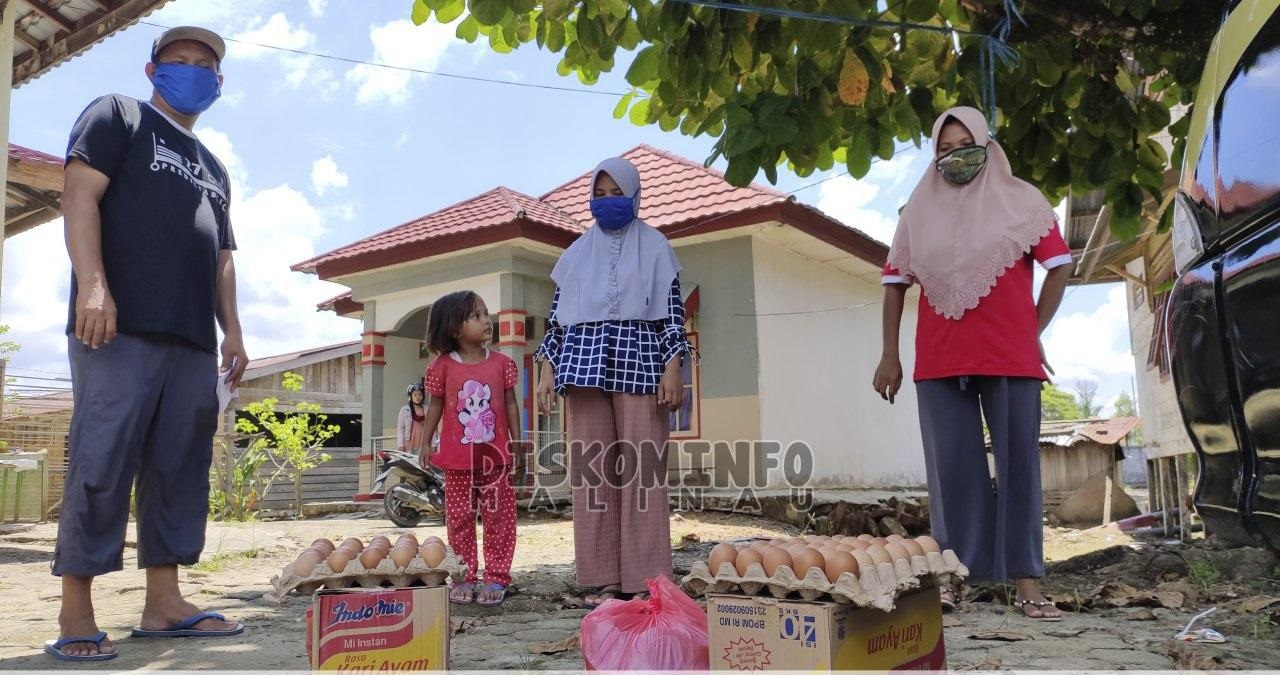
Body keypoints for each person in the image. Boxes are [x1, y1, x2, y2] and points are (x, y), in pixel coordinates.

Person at [48, 27, 247, 662]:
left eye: (204, 66)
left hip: (191, 340)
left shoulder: (214, 166)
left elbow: (221, 255)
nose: (191, 72)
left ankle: (164, 605)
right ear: (152, 69)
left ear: (218, 84)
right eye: (178, 61)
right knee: (101, 463)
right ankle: (76, 611)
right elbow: (79, 197)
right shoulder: (119, 115)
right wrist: (93, 287)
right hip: (118, 326)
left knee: (180, 470)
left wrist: (233, 329)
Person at [873, 106, 1070, 621]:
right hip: (938, 361)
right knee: (952, 474)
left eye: (965, 144)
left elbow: (1059, 266)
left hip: (1010, 356)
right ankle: (954, 578)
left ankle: (1027, 581)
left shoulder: (1023, 201)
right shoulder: (917, 211)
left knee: (1019, 467)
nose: (954, 155)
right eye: (943, 148)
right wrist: (890, 354)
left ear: (986, 144)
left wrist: (1032, 328)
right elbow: (895, 284)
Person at [534, 157, 695, 608]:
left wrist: (674, 365)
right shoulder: (576, 254)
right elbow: (556, 320)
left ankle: (644, 579)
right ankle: (604, 578)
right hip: (582, 366)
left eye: (616, 194)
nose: (608, 203)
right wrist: (548, 367)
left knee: (642, 472)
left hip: (641, 362)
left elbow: (672, 312)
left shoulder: (657, 247)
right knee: (593, 474)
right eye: (599, 195)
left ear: (635, 195)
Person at [420, 291, 521, 607]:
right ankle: (464, 576)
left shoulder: (503, 363)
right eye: (476, 316)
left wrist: (519, 445)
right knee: (460, 519)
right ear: (453, 328)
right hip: (457, 462)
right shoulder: (442, 367)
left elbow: (511, 404)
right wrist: (425, 441)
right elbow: (435, 405)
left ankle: (496, 578)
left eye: (486, 313)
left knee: (499, 519)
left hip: (496, 461)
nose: (486, 321)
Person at [398, 383, 427, 453]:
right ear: (410, 396)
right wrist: (400, 445)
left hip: (423, 444)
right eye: (415, 395)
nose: (418, 397)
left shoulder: (427, 409)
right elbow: (401, 429)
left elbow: (431, 428)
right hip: (409, 444)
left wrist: (433, 444)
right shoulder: (404, 410)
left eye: (420, 394)